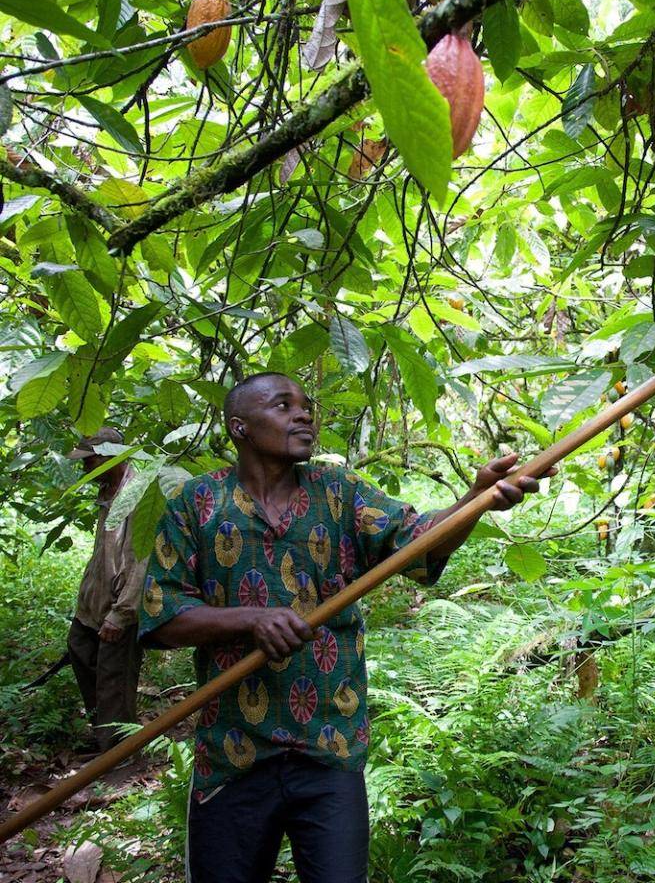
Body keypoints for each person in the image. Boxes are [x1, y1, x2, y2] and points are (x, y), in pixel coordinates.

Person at [138, 371, 555, 883]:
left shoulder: (339, 492)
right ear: (240, 427)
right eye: (283, 405)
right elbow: (162, 615)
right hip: (233, 753)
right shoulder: (196, 503)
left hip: (328, 745)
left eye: (306, 404)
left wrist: (475, 499)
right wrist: (252, 620)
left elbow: (419, 540)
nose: (304, 413)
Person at [65, 427, 146, 752]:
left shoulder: (138, 492)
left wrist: (122, 612)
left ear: (110, 456)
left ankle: (118, 752)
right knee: (81, 651)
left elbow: (141, 560)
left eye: (90, 460)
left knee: (114, 678)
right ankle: (104, 735)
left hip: (119, 607)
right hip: (93, 606)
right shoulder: (111, 490)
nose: (85, 467)